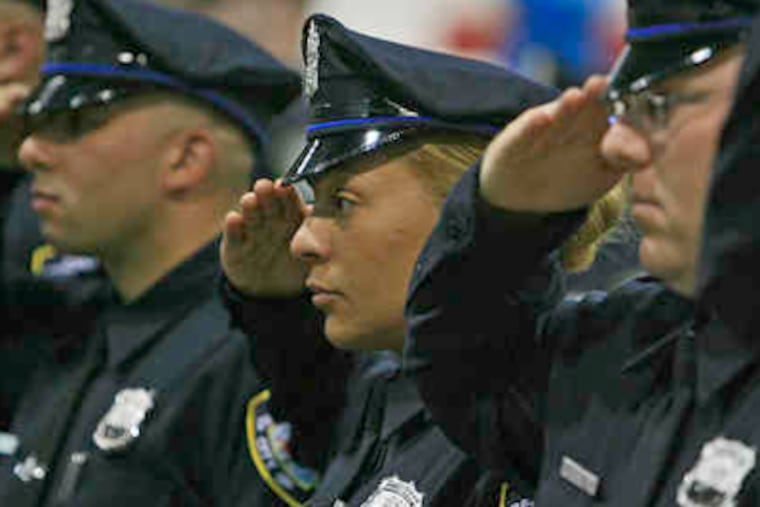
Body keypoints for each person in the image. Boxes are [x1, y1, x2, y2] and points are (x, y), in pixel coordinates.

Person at [221, 14, 624, 507]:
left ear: (458, 212)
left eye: (342, 203)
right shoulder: (386, 389)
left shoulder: (546, 414)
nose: (302, 239)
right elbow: (309, 403)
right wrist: (276, 308)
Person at [404, 0, 759, 504]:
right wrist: (502, 225)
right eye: (627, 110)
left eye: (662, 105)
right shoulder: (636, 345)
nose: (619, 149)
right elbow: (468, 374)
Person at [0, 0, 301, 505]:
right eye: (36, 122)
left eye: (73, 123)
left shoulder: (265, 357)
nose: (30, 149)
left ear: (185, 159)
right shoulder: (74, 323)